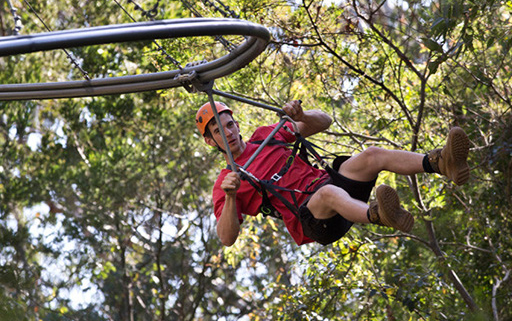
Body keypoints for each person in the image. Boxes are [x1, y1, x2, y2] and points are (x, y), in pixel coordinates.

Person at [196, 100, 470, 247]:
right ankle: (378, 214)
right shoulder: (227, 182)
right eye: (220, 131)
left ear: (237, 123)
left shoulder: (266, 137)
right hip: (315, 219)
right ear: (210, 141)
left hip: (332, 187)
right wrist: (231, 197)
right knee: (328, 193)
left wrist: (302, 115)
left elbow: (325, 121)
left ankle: (441, 163)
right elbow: (226, 238)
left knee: (371, 154)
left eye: (230, 124)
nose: (229, 133)